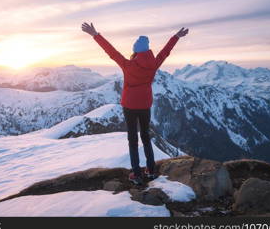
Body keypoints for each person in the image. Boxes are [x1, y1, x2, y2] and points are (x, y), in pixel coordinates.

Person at [81, 22, 189, 185]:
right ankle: (151, 170)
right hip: (145, 105)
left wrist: (95, 34)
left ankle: (136, 173)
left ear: (136, 50)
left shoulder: (128, 65)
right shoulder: (153, 64)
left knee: (133, 139)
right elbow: (165, 52)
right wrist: (176, 37)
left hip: (129, 106)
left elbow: (111, 51)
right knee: (145, 137)